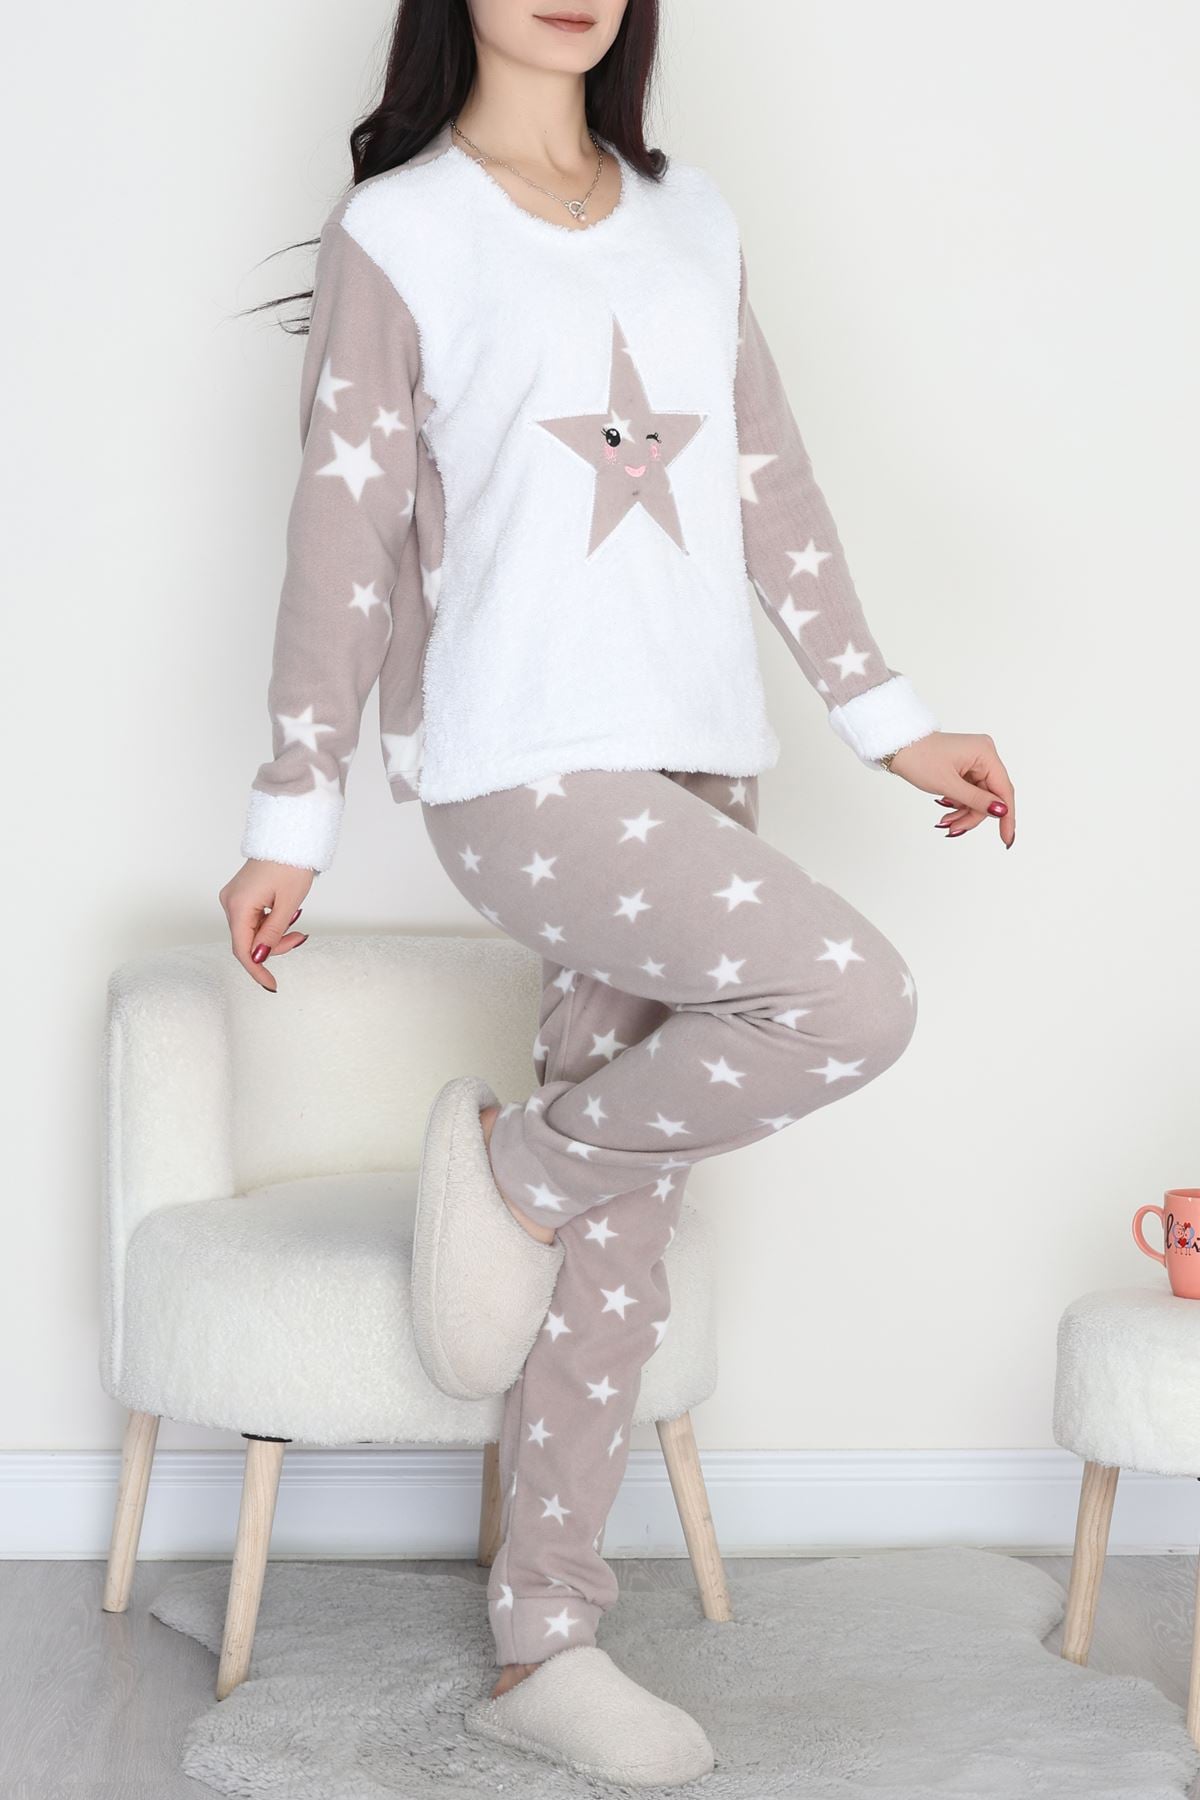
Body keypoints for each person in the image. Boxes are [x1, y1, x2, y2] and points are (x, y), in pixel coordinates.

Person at [218, 0, 1015, 1784]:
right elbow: (342, 537)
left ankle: (546, 1640)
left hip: (699, 749)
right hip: (521, 763)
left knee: (626, 1219)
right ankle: (518, 1170)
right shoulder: (403, 230)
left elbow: (770, 484)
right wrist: (294, 814)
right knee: (849, 996)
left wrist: (887, 722)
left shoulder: (690, 218)